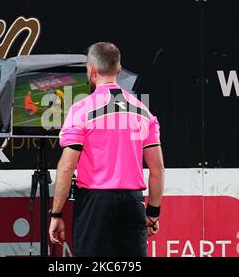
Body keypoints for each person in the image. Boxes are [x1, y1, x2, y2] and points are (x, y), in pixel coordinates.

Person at [48, 42, 164, 257]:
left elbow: (66, 167)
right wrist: (153, 213)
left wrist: (56, 214)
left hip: (95, 204)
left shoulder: (81, 110)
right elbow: (157, 170)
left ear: (91, 70)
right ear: (118, 70)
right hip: (132, 203)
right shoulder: (142, 111)